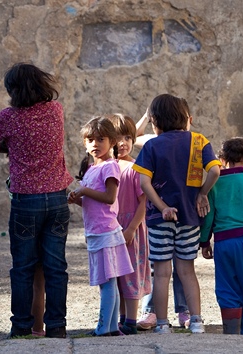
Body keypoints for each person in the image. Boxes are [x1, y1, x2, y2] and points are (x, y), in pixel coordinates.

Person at [0, 62, 73, 339]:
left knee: (23, 267)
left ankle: (21, 326)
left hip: (25, 201)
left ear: (13, 91)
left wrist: (7, 144)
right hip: (56, 199)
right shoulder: (56, 111)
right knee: (56, 266)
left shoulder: (9, 118)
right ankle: (57, 326)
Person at [134, 93, 221, 334]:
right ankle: (196, 321)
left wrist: (162, 208)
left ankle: (162, 324)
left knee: (161, 273)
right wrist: (202, 194)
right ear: (186, 118)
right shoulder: (199, 140)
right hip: (190, 217)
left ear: (155, 122)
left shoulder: (152, 145)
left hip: (159, 219)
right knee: (187, 270)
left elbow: (144, 183)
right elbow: (214, 171)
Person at [68, 116, 134, 336]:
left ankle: (103, 327)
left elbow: (109, 197)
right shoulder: (91, 169)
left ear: (112, 141)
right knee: (108, 281)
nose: (95, 144)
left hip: (106, 231)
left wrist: (84, 191)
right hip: (97, 232)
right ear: (85, 143)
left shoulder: (110, 166)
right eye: (90, 140)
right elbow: (91, 203)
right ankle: (112, 327)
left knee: (107, 281)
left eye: (101, 139)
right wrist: (77, 199)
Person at [200, 137, 243, 335]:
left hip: (223, 243)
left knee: (226, 289)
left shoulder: (216, 183)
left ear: (223, 159)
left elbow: (208, 216)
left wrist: (205, 242)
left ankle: (231, 334)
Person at [107, 113, 151, 335]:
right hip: (110, 229)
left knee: (131, 274)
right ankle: (122, 318)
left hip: (129, 229)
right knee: (115, 276)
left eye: (127, 137)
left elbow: (144, 201)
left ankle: (131, 322)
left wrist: (132, 228)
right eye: (117, 137)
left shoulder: (135, 168)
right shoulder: (106, 167)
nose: (123, 143)